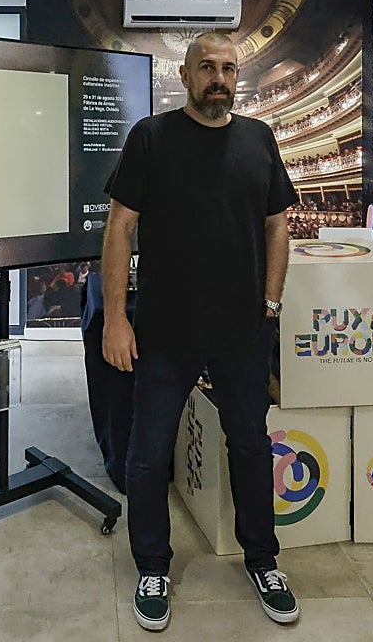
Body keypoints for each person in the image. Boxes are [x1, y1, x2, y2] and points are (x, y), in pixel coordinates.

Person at [102, 32, 298, 631]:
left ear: (238, 78)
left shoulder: (259, 139)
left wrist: (270, 303)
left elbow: (277, 226)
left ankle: (263, 560)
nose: (219, 78)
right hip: (165, 330)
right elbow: (119, 229)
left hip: (242, 331)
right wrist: (115, 317)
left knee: (251, 447)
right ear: (186, 76)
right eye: (207, 68)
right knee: (148, 453)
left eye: (228, 69)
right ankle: (153, 567)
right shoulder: (151, 138)